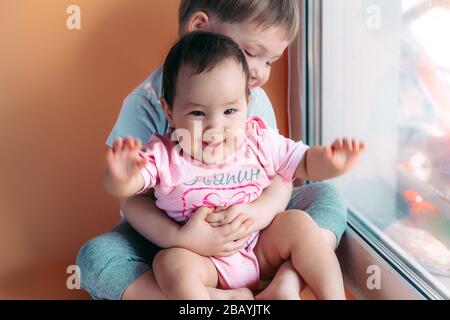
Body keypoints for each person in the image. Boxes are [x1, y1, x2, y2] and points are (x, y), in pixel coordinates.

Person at [77, 0, 351, 300]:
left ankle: (285, 283)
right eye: (250, 53)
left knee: (325, 199)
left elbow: (282, 172)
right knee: (96, 258)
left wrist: (256, 214)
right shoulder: (147, 108)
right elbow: (131, 195)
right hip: (172, 239)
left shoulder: (252, 99)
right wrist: (182, 238)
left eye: (270, 61)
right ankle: (217, 300)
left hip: (253, 234)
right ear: (200, 29)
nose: (258, 73)